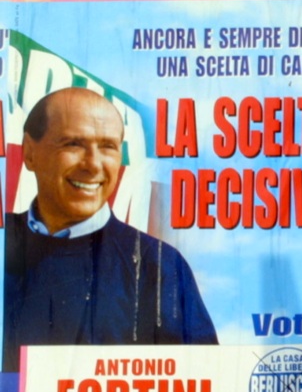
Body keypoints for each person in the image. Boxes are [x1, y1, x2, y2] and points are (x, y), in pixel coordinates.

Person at [3, 87, 217, 371]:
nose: (93, 165)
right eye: (73, 144)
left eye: (108, 147)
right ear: (30, 153)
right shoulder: (5, 241)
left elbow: (203, 382)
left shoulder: (160, 267)